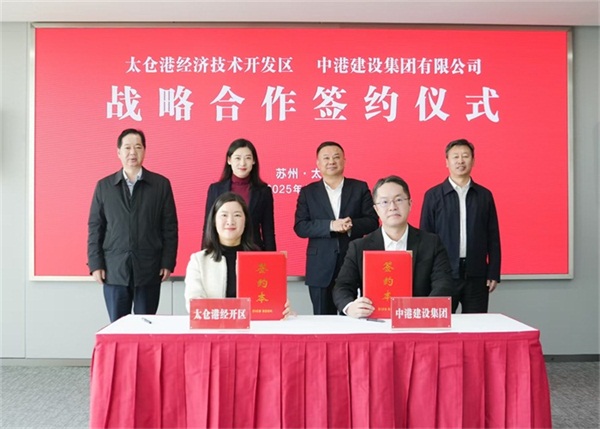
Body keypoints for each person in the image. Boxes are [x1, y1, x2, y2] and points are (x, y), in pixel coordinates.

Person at [87, 128, 178, 322]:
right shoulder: (104, 186)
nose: (132, 152)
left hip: (149, 268)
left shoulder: (160, 185)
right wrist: (96, 264)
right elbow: (95, 228)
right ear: (118, 152)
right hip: (114, 269)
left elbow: (169, 227)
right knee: (118, 326)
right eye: (127, 147)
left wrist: (167, 262)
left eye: (138, 147)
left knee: (146, 325)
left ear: (144, 150)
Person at [333, 175, 454, 318]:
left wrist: (423, 310)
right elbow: (342, 287)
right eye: (384, 202)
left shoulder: (431, 243)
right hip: (374, 322)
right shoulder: (359, 247)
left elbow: (443, 283)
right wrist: (350, 307)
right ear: (376, 209)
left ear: (410, 204)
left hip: (417, 320)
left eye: (399, 200)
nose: (392, 207)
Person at [294, 141, 379, 315]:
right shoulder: (308, 192)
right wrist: (330, 226)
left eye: (336, 157)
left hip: (353, 264)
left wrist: (350, 225)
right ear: (318, 163)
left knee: (356, 317)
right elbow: (301, 226)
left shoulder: (359, 188)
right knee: (323, 320)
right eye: (326, 158)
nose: (331, 161)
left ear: (344, 161)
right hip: (320, 267)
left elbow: (372, 221)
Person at [420, 138, 501, 313]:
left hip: (477, 274)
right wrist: (426, 274)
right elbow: (425, 239)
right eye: (455, 156)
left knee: (476, 325)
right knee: (441, 323)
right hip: (443, 275)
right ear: (447, 162)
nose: (460, 161)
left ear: (473, 160)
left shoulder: (484, 195)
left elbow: (493, 237)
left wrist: (493, 271)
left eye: (465, 156)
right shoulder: (433, 195)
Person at [185, 192, 292, 317]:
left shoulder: (261, 260)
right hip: (214, 326)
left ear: (245, 221)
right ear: (214, 220)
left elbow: (271, 302)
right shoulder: (198, 261)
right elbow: (194, 303)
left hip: (255, 327)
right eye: (224, 215)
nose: (230, 221)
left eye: (237, 215)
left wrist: (282, 308)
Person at [202, 138, 275, 251]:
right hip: (221, 252)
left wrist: (272, 258)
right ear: (229, 160)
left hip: (252, 251)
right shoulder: (215, 189)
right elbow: (208, 226)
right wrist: (205, 254)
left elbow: (268, 231)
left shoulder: (264, 191)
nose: (242, 163)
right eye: (237, 158)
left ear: (254, 161)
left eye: (248, 158)